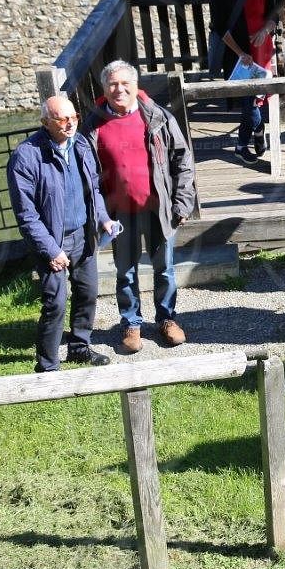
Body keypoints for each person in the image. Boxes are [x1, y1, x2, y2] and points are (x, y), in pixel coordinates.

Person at [83, 60, 197, 354]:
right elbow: (86, 175)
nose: (119, 89)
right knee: (126, 272)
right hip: (118, 214)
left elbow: (182, 161)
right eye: (112, 84)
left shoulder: (158, 117)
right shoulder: (92, 125)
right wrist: (98, 215)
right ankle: (131, 323)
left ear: (135, 86)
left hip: (158, 208)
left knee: (165, 269)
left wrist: (182, 202)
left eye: (125, 84)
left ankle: (167, 319)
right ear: (104, 88)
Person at [7, 95, 119, 372]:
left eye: (74, 117)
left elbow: (92, 190)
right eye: (62, 119)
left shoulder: (81, 144)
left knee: (88, 294)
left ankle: (80, 348)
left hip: (83, 235)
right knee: (55, 303)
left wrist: (103, 219)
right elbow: (26, 215)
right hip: (52, 241)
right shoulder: (26, 157)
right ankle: (47, 365)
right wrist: (50, 250)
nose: (70, 124)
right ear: (45, 122)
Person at [208, 0, 279, 164]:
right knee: (248, 100)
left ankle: (245, 142)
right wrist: (240, 53)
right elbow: (219, 26)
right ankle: (254, 134)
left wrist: (264, 32)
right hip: (234, 54)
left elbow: (273, 16)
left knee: (252, 99)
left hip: (259, 51)